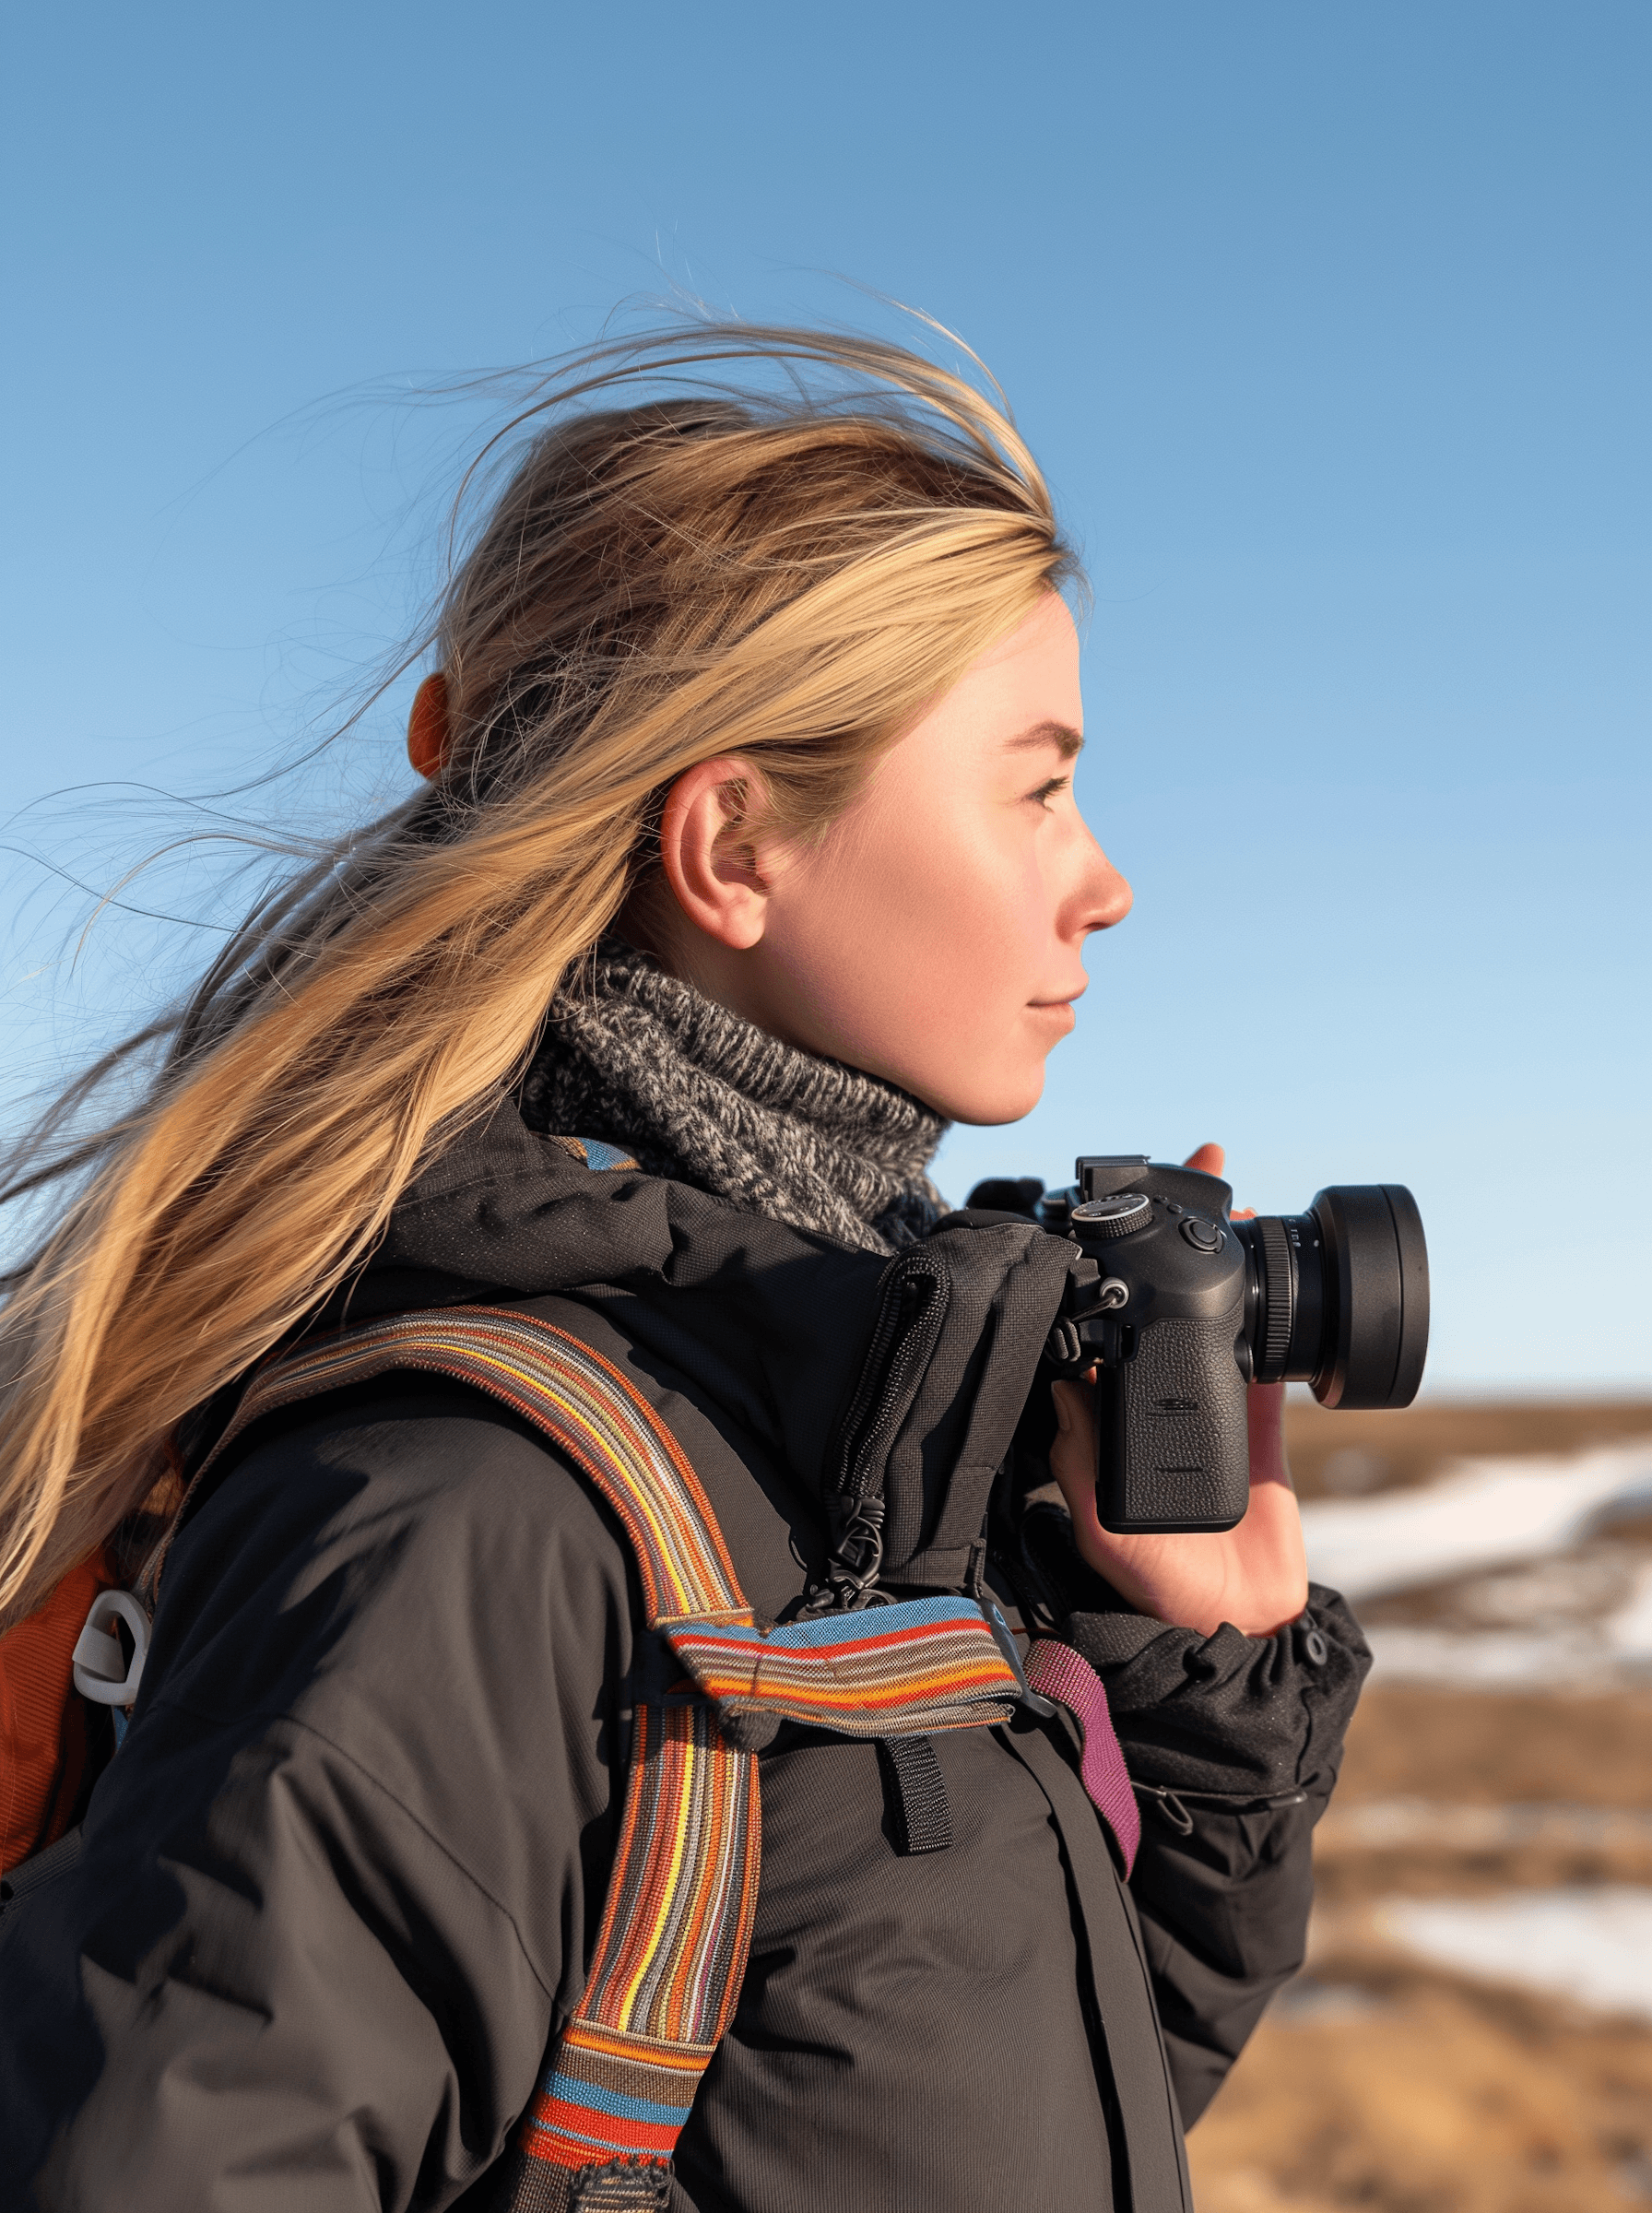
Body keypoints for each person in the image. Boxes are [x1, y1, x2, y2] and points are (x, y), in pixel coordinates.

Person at [0, 323, 1368, 2211]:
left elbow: (991, 2117)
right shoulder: (478, 1517)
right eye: (1035, 788)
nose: (1103, 882)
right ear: (733, 843)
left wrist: (1197, 1689)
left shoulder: (837, 1441)